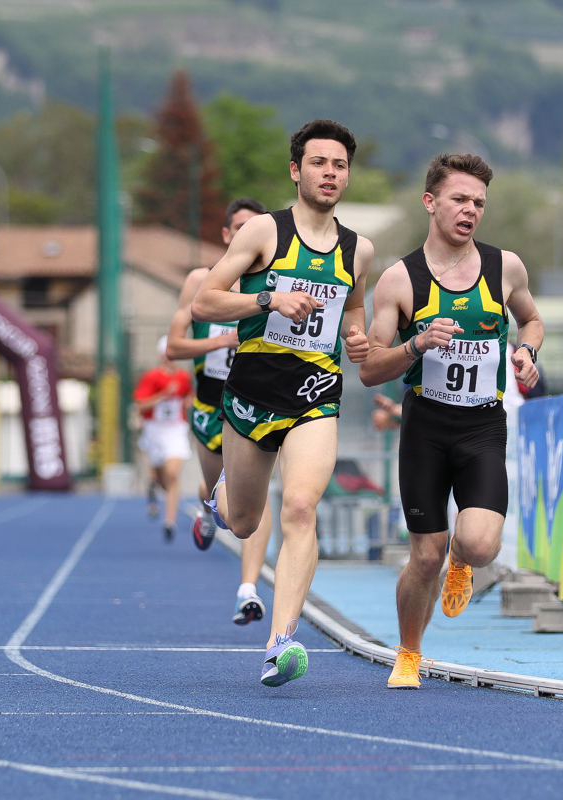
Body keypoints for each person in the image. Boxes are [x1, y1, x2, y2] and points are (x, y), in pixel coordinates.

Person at [192, 118, 373, 687]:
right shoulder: (264, 233)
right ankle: (222, 494)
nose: (330, 173)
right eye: (319, 163)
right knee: (244, 522)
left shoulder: (359, 249)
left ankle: (281, 643)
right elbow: (204, 302)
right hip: (252, 390)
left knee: (298, 507)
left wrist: (358, 337)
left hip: (315, 392)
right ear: (296, 171)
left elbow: (353, 308)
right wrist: (269, 299)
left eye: (339, 165)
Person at [360, 153, 543, 689]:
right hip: (426, 426)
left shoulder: (505, 267)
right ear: (430, 202)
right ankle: (409, 653)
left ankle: (461, 560)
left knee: (480, 545)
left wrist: (527, 351)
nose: (470, 210)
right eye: (459, 199)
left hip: (482, 425)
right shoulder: (399, 280)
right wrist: (416, 344)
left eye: (479, 202)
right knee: (424, 556)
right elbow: (370, 369)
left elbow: (531, 319)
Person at [165, 197, 276, 625]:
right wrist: (220, 341)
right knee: (218, 492)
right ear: (228, 234)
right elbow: (174, 347)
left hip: (255, 407)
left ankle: (248, 589)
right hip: (211, 409)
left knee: (256, 501)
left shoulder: (277, 282)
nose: (249, 234)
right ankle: (207, 506)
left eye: (257, 227)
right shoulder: (200, 280)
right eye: (240, 227)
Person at [133, 336, 193, 542]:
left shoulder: (184, 377)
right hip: (155, 430)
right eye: (169, 354)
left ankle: (169, 522)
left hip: (176, 430)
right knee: (161, 478)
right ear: (161, 356)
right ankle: (153, 484)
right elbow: (141, 405)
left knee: (172, 474)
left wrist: (189, 401)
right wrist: (164, 394)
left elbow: (189, 396)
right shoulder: (151, 377)